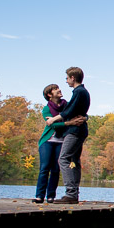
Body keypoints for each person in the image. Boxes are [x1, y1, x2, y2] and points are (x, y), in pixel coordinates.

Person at [33, 84, 86, 203]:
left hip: (61, 141)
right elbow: (52, 124)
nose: (59, 90)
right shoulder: (46, 109)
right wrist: (69, 123)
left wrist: (84, 118)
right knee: (44, 168)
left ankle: (51, 196)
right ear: (49, 95)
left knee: (56, 169)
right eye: (55, 89)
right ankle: (39, 195)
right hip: (48, 141)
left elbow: (78, 111)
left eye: (58, 88)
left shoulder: (66, 105)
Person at [45, 67, 90, 204]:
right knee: (74, 160)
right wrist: (85, 117)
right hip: (78, 130)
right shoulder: (81, 92)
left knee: (63, 159)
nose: (66, 81)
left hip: (75, 131)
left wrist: (52, 119)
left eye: (67, 78)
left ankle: (71, 193)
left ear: (72, 78)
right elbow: (75, 109)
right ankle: (73, 194)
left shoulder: (79, 91)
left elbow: (69, 111)